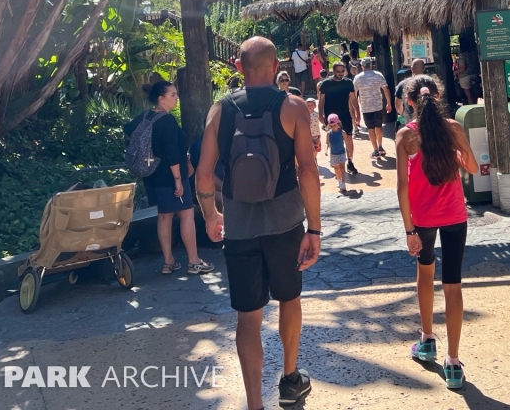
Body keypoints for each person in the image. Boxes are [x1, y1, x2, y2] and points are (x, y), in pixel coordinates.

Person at [196, 37, 321, 410]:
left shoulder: (220, 111)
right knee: (290, 299)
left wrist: (211, 216)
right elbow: (308, 171)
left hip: (240, 228)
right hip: (285, 224)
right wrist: (313, 228)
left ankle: (254, 404)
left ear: (239, 67)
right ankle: (290, 378)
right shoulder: (293, 107)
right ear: (276, 65)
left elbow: (203, 176)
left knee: (248, 318)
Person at [395, 75, 478, 390]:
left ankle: (427, 338)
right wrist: (458, 153)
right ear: (439, 96)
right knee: (453, 285)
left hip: (423, 219)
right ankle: (454, 362)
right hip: (455, 215)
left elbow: (402, 188)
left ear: (409, 102)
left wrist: (408, 229)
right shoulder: (453, 128)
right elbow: (471, 166)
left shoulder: (406, 136)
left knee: (425, 272)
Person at [124, 82, 214, 276]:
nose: (176, 98)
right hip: (171, 177)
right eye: (173, 94)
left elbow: (128, 129)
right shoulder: (167, 121)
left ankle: (168, 262)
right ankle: (193, 261)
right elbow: (172, 154)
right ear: (161, 98)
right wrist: (179, 180)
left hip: (151, 176)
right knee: (186, 215)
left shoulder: (144, 117)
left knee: (164, 216)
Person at [318, 62, 360, 174]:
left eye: (342, 71)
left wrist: (357, 113)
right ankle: (336, 160)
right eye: (338, 71)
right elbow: (321, 100)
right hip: (331, 115)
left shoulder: (348, 82)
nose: (340, 73)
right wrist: (320, 115)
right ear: (333, 71)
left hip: (345, 114)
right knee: (334, 139)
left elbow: (353, 98)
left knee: (349, 139)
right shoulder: (326, 83)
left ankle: (350, 162)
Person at [355, 57, 393, 159]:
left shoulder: (358, 78)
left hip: (366, 107)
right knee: (378, 126)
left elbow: (353, 94)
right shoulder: (378, 75)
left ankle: (375, 150)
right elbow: (386, 90)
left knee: (370, 128)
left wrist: (355, 109)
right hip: (378, 105)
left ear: (362, 66)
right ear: (371, 65)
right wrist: (388, 103)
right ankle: (380, 146)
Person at [395, 58, 427, 122]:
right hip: (428, 121)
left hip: (410, 121)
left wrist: (404, 113)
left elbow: (398, 105)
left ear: (411, 69)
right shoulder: (430, 82)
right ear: (424, 68)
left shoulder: (402, 84)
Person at [326, 114, 349, 191]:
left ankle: (343, 182)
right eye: (331, 126)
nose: (333, 127)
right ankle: (339, 180)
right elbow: (327, 143)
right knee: (336, 168)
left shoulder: (342, 132)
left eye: (334, 125)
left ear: (338, 123)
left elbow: (347, 142)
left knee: (342, 167)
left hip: (342, 152)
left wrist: (349, 151)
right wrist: (326, 150)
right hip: (333, 153)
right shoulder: (329, 134)